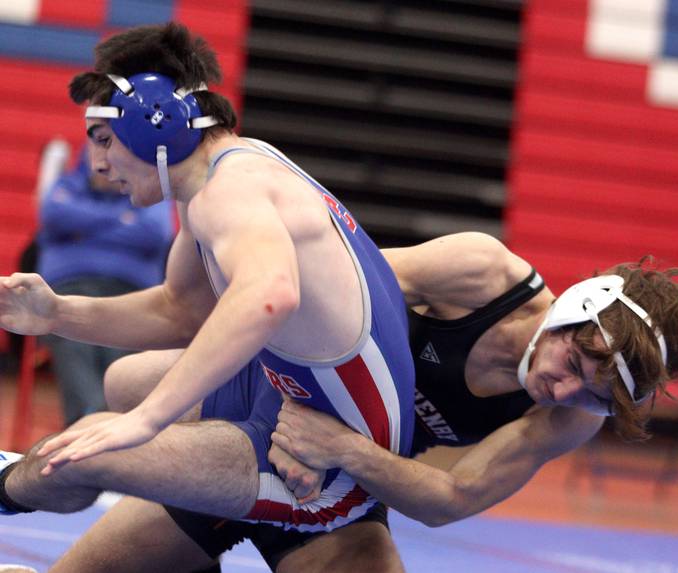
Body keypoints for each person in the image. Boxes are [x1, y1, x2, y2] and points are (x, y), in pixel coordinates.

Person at [49, 232, 678, 571]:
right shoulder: (479, 273)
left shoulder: (564, 418)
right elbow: (302, 292)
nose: (562, 388)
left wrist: (341, 447)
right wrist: (281, 415)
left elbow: (450, 495)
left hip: (343, 494)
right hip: (251, 426)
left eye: (591, 396)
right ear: (577, 309)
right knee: (129, 388)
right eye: (576, 362)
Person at [0, 22, 416, 573]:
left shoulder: (230, 191)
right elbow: (180, 310)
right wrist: (56, 314)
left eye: (103, 139)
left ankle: (5, 482)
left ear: (157, 126)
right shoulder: (228, 173)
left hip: (321, 460)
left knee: (85, 450)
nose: (98, 164)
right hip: (278, 399)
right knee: (122, 382)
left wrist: (146, 422)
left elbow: (270, 294)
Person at [37, 146, 173, 425]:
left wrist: (82, 226)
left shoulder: (149, 191)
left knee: (123, 345)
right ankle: (91, 420)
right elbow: (52, 213)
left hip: (132, 293)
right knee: (64, 325)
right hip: (69, 288)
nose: (104, 168)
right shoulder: (66, 184)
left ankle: (108, 421)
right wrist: (122, 221)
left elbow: (155, 232)